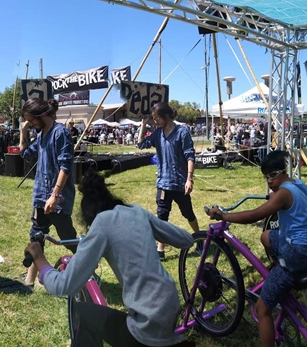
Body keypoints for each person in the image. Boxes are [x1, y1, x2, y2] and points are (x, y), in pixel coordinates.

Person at [25, 168, 193, 347]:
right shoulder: (137, 211)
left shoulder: (102, 223)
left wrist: (40, 259)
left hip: (147, 324)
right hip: (170, 304)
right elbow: (187, 240)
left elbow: (63, 285)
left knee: (82, 311)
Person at [207, 150, 307, 347]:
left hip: (297, 254)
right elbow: (281, 198)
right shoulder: (297, 184)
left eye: (272, 176)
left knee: (262, 308)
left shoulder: (283, 194)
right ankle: (277, 274)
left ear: (282, 172)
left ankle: (281, 277)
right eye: (265, 177)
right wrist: (274, 193)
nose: (269, 181)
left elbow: (255, 215)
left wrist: (223, 216)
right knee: (266, 236)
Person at [19, 98, 77, 286]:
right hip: (40, 196)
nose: (31, 123)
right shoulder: (41, 134)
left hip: (57, 198)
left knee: (67, 238)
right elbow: (24, 153)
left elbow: (65, 166)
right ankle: (29, 280)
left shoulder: (60, 133)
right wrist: (23, 132)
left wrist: (55, 195)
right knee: (36, 236)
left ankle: (87, 267)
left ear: (42, 114)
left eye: (32, 120)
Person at [137, 103, 198, 259]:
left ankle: (199, 239)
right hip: (163, 183)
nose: (155, 121)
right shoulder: (157, 133)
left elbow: (190, 156)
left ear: (166, 116)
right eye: (153, 118)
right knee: (162, 216)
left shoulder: (182, 132)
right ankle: (160, 250)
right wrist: (143, 125)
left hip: (179, 183)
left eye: (157, 118)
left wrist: (189, 179)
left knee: (188, 213)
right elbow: (141, 144)